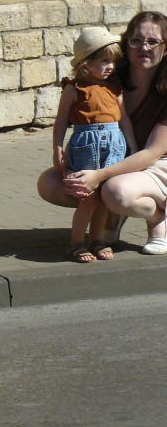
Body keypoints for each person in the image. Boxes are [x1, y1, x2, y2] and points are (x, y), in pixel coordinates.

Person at [38, 11, 167, 254]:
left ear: (165, 47)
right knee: (51, 183)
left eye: (153, 42)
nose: (144, 47)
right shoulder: (109, 77)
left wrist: (99, 176)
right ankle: (108, 218)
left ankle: (157, 218)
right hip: (117, 158)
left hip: (158, 162)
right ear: (126, 43)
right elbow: (75, 118)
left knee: (114, 192)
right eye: (137, 40)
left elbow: (151, 154)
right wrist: (67, 156)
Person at [54, 27, 136, 262]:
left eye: (112, 61)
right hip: (85, 144)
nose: (110, 66)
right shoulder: (74, 89)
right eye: (103, 61)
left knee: (103, 198)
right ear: (86, 63)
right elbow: (61, 122)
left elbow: (124, 119)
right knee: (88, 197)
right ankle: (77, 243)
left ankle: (97, 240)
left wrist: (132, 145)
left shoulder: (114, 87)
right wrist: (57, 150)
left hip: (114, 146)